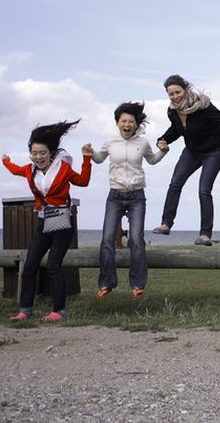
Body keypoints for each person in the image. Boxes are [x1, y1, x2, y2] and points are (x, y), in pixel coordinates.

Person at [152, 75, 220, 245]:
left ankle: (205, 234)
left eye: (178, 92)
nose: (175, 96)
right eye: (171, 94)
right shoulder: (172, 111)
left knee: (204, 190)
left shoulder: (203, 106)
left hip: (213, 152)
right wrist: (163, 138)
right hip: (191, 152)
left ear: (186, 90)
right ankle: (166, 224)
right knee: (175, 183)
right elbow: (176, 129)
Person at [1, 120, 92, 322]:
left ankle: (58, 311)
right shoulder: (29, 170)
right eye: (34, 153)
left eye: (42, 153)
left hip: (62, 223)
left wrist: (86, 158)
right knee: (30, 264)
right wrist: (5, 160)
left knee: (53, 265)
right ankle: (25, 310)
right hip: (43, 223)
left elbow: (83, 181)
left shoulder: (63, 169)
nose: (38, 157)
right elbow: (14, 169)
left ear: (51, 153)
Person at [86, 102, 168, 300]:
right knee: (107, 239)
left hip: (136, 196)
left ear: (135, 123)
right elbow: (99, 159)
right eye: (123, 120)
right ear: (117, 123)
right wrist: (90, 152)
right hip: (115, 195)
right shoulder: (110, 142)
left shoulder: (142, 142)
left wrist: (163, 151)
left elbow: (152, 160)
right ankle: (106, 284)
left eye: (131, 121)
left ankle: (138, 285)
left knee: (136, 240)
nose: (127, 124)